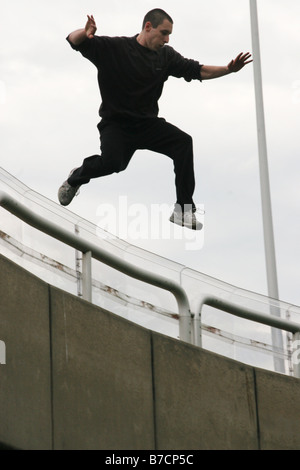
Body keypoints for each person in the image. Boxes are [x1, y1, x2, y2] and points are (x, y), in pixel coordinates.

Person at [58, 9, 252, 230]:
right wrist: (85, 33)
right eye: (164, 33)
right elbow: (73, 41)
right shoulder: (115, 48)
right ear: (148, 27)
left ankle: (183, 210)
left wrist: (229, 69)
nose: (167, 39)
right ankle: (76, 178)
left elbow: (199, 71)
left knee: (183, 142)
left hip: (147, 124)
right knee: (113, 164)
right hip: (116, 125)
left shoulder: (166, 56)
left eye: (169, 35)